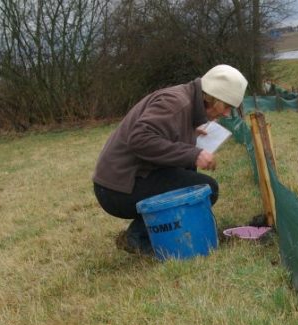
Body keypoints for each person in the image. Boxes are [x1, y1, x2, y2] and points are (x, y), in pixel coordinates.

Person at [92, 64, 248, 254]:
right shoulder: (175, 104)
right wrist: (194, 154)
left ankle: (149, 231)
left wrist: (189, 130)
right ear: (212, 97)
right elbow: (139, 139)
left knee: (189, 177)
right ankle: (139, 236)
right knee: (205, 189)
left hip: (125, 181)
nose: (226, 114)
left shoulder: (184, 100)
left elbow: (162, 131)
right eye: (226, 106)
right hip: (117, 189)